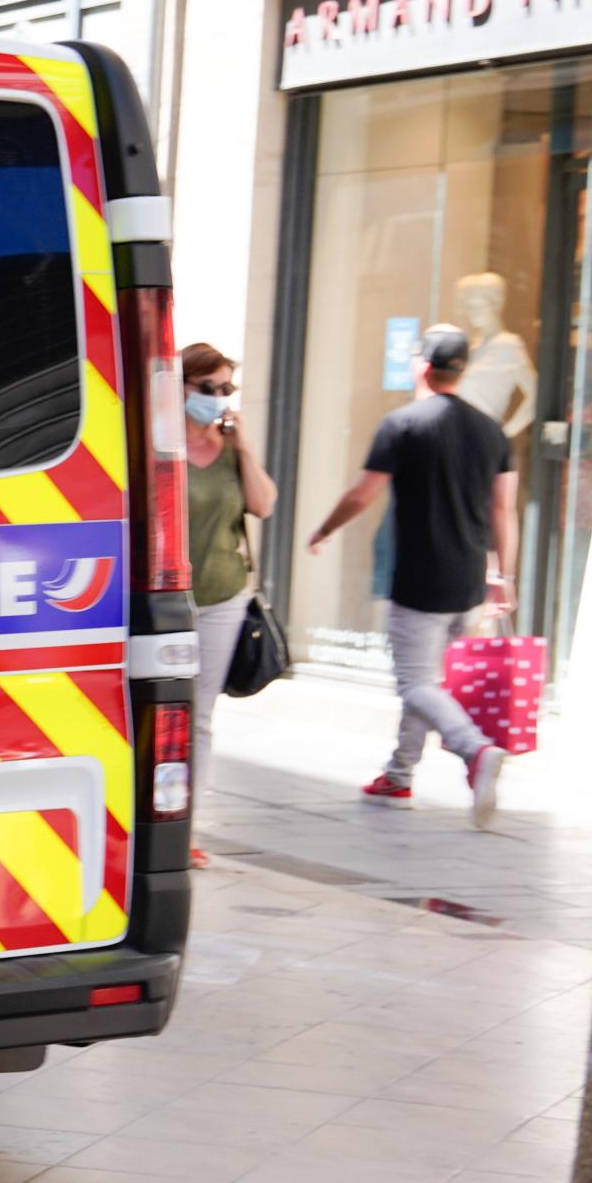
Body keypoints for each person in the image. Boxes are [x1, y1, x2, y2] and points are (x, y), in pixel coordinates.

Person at [306, 324, 517, 827]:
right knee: (429, 682)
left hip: (421, 579)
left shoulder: (403, 424)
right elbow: (503, 510)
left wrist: (324, 528)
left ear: (422, 367)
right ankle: (399, 775)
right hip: (468, 580)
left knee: (415, 683)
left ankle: (474, 750)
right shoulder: (492, 431)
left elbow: (363, 493)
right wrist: (501, 575)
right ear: (461, 370)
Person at [181, 343, 275, 848]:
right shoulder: (160, 444)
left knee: (198, 716)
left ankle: (186, 831)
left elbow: (262, 505)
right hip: (164, 600)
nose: (217, 399)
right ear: (179, 386)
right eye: (207, 388)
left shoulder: (231, 449)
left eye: (225, 389)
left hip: (222, 596)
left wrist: (245, 450)